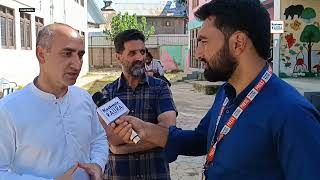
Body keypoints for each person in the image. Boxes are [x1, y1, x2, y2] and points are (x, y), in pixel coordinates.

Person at [111, 0, 320, 179]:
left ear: (238, 43)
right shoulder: (227, 94)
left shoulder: (292, 115)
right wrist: (148, 131)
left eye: (203, 41)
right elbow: (200, 140)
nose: (198, 53)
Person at [0, 23, 108, 180]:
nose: (77, 64)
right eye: (67, 53)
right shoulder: (8, 110)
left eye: (80, 55)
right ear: (41, 54)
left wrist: (98, 164)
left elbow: (98, 138)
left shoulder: (84, 99)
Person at [99, 29, 177, 180]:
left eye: (142, 52)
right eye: (132, 53)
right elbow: (111, 139)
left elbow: (169, 133)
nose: (140, 57)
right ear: (118, 57)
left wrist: (121, 149)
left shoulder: (160, 88)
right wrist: (154, 137)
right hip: (119, 175)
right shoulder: (107, 94)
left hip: (154, 174)